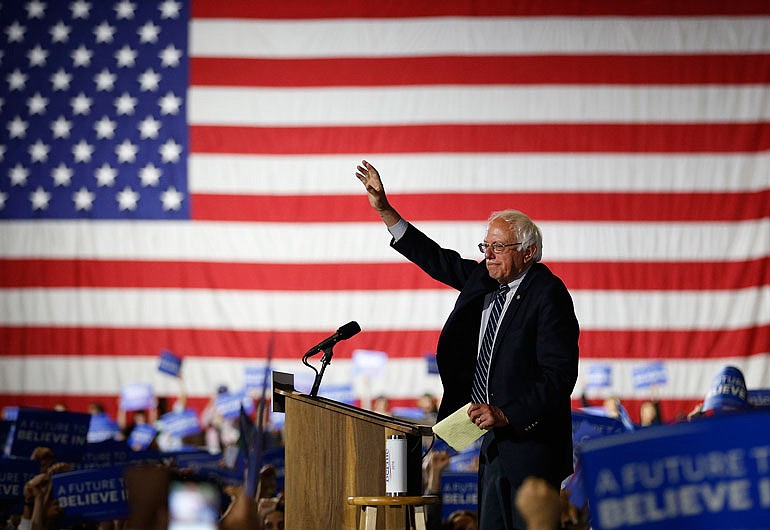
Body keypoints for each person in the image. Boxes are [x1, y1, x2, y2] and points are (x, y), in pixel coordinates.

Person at [356, 160, 580, 530]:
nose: (488, 254)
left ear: (527, 252)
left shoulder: (548, 294)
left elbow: (559, 377)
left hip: (531, 447)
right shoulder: (486, 279)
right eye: (485, 245)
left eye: (498, 247)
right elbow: (437, 260)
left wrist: (507, 412)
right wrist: (385, 211)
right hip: (491, 443)